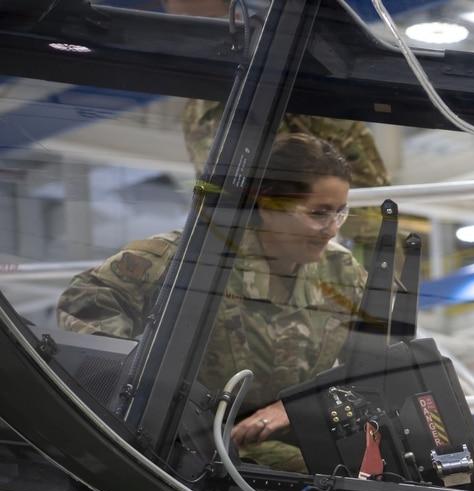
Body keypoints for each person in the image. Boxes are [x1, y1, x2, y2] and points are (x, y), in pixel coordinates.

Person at [57, 134, 368, 473]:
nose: (331, 230)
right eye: (319, 213)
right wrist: (142, 387)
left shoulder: (343, 274)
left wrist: (300, 405)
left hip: (279, 442)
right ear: (267, 204)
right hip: (184, 448)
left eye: (340, 213)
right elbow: (85, 300)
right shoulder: (190, 258)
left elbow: (377, 366)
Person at [165, 0, 391, 245]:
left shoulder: (311, 84)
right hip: (254, 253)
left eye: (219, 21)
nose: (207, 39)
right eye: (192, 27)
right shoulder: (202, 110)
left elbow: (373, 211)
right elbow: (227, 199)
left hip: (319, 247)